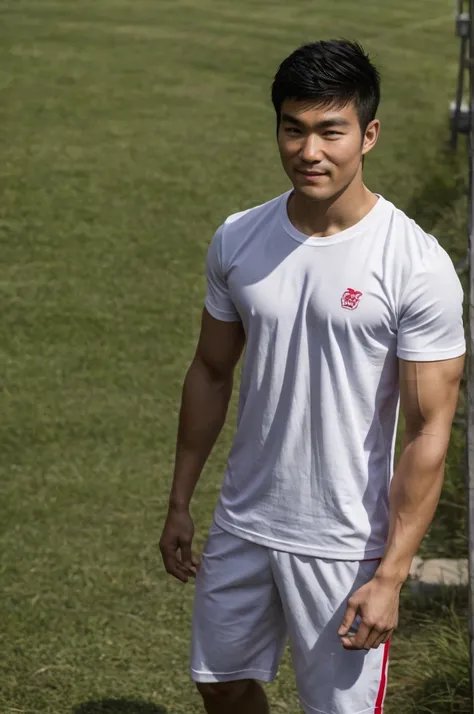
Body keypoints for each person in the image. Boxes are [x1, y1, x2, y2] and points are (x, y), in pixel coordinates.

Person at [159, 39, 466, 714]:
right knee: (220, 683)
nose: (309, 151)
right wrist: (181, 501)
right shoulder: (238, 238)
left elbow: (428, 430)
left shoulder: (415, 264)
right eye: (293, 129)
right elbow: (211, 371)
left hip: (346, 545)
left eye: (331, 131)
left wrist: (391, 574)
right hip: (244, 520)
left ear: (369, 134)